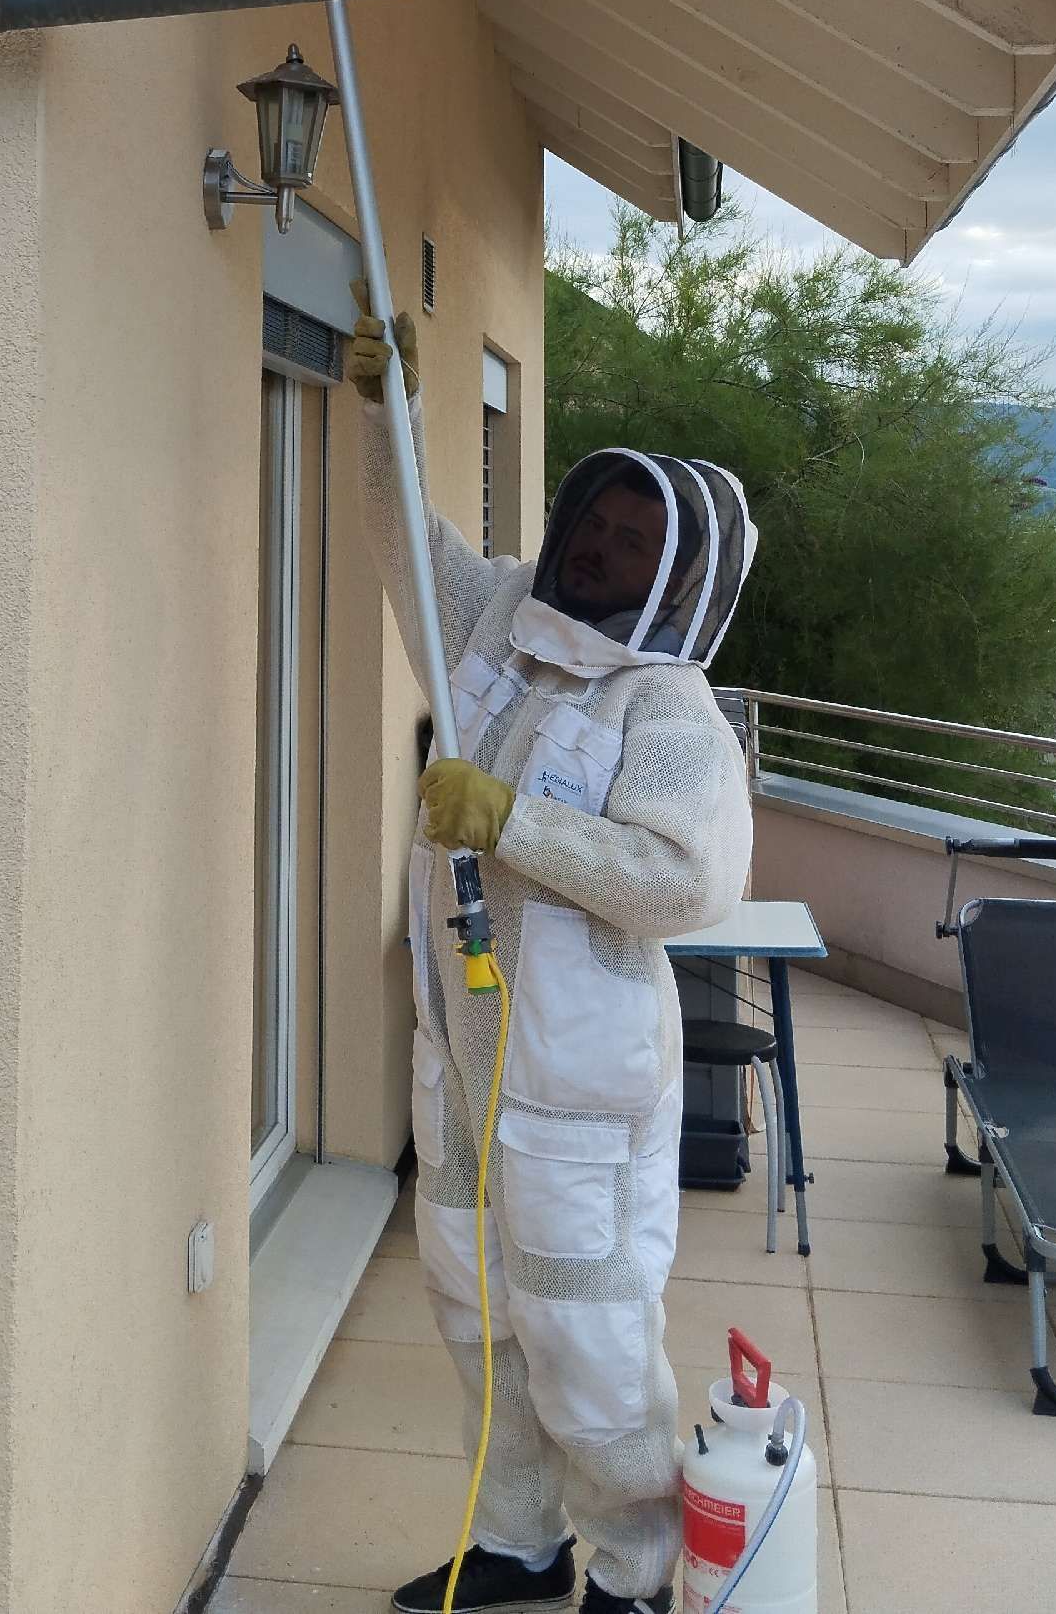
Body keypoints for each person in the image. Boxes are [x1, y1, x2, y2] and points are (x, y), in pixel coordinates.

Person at [351, 289, 757, 1614]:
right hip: (465, 1060)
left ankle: (636, 1573)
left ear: (678, 576)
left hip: (578, 1089)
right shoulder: (498, 623)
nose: (604, 547)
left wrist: (514, 823)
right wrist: (388, 408)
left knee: (589, 1340)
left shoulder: (668, 708)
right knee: (479, 1317)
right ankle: (518, 1544)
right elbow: (408, 538)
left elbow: (686, 880)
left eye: (638, 540)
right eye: (599, 522)